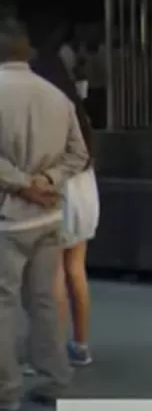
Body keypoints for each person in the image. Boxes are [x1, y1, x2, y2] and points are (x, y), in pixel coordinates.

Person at [0, 20, 90, 411]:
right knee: (44, 303)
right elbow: (79, 154)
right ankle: (55, 379)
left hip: (7, 219)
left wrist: (21, 183)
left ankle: (7, 390)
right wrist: (48, 180)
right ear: (29, 55)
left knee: (3, 304)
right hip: (48, 217)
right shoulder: (58, 97)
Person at [30, 40, 100, 368]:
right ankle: (81, 345)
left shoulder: (44, 106)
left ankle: (52, 352)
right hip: (85, 190)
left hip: (59, 192)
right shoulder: (75, 108)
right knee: (76, 271)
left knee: (53, 273)